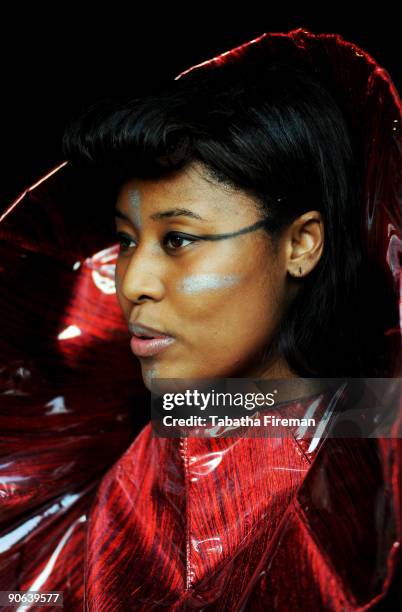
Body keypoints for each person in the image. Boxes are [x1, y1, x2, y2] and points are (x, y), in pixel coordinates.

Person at [0, 28, 400, 610]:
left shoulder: (367, 467)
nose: (133, 282)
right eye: (126, 240)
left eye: (180, 238)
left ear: (301, 244)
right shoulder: (147, 454)